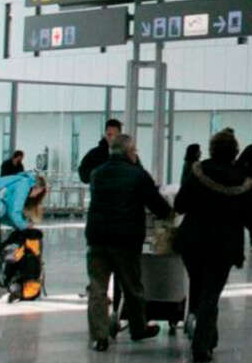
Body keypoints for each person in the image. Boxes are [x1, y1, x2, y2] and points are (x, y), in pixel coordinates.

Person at [175, 130, 252, 363]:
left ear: (211, 149)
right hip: (224, 244)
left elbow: (180, 204)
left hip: (193, 241)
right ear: (235, 151)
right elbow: (250, 215)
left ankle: (208, 337)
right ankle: (202, 345)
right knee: (211, 293)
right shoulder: (242, 178)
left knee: (200, 288)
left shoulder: (197, 172)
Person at [85, 134, 171, 352]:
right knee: (132, 286)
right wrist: (170, 214)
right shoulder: (138, 175)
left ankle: (99, 337)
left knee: (97, 288)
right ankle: (138, 328)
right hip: (125, 239)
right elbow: (158, 205)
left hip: (97, 238)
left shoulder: (97, 174)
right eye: (135, 151)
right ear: (129, 153)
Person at [0, 172, 47, 301]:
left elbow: (7, 215)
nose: (34, 197)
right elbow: (15, 211)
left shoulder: (16, 180)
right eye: (38, 193)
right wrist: (25, 226)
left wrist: (19, 224)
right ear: (37, 187)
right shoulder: (25, 183)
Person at [78, 119, 123, 184]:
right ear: (105, 134)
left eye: (116, 135)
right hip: (101, 192)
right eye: (109, 135)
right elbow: (83, 175)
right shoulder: (94, 154)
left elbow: (138, 174)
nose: (112, 138)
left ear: (120, 135)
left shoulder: (127, 153)